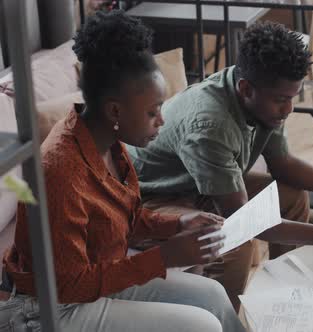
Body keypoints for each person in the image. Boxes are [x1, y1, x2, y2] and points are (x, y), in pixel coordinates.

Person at [128, 21, 313, 311]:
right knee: (237, 243)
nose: (288, 109)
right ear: (245, 88)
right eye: (281, 100)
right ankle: (224, 319)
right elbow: (244, 220)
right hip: (152, 198)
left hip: (197, 185)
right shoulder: (210, 124)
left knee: (292, 197)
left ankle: (286, 300)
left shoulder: (262, 101)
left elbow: (284, 166)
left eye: (292, 98)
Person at [0, 11, 245, 332]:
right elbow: (69, 284)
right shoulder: (60, 171)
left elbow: (119, 220)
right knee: (202, 326)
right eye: (153, 112)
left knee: (212, 294)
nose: (162, 121)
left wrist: (178, 223)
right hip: (50, 307)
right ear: (115, 109)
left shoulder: (111, 143)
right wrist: (165, 257)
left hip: (98, 276)